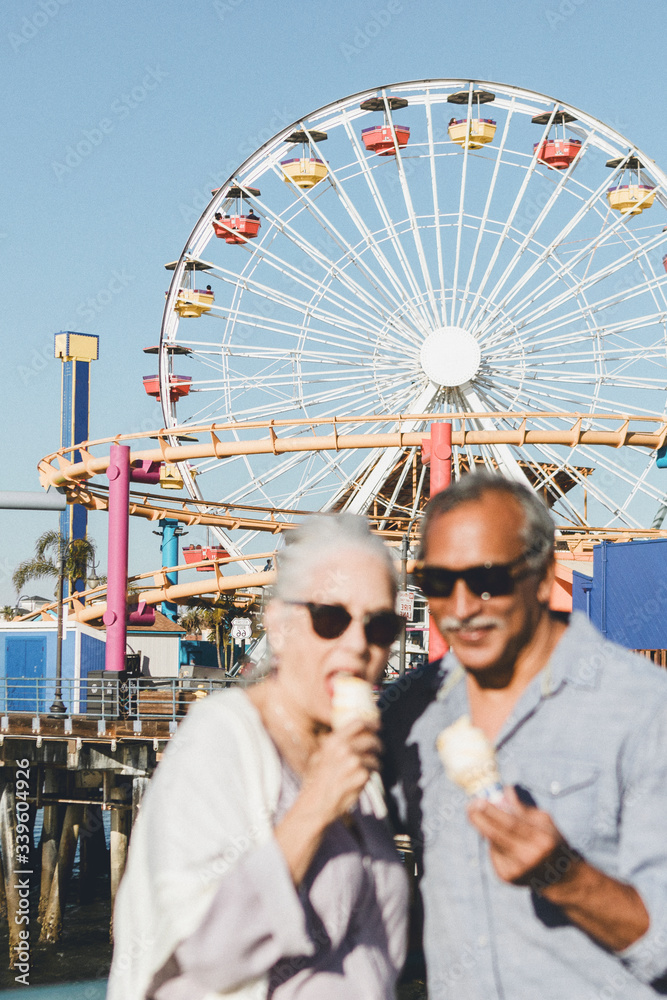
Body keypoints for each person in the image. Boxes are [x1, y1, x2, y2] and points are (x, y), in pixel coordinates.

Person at [382, 472, 667, 999]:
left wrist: (566, 877)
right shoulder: (410, 712)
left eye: (487, 579)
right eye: (439, 583)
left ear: (541, 575)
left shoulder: (644, 712)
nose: (462, 607)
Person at [108, 514, 408, 1000]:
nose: (357, 645)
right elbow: (208, 957)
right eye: (330, 618)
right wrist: (316, 806)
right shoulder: (221, 742)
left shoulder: (352, 760)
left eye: (380, 625)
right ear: (279, 625)